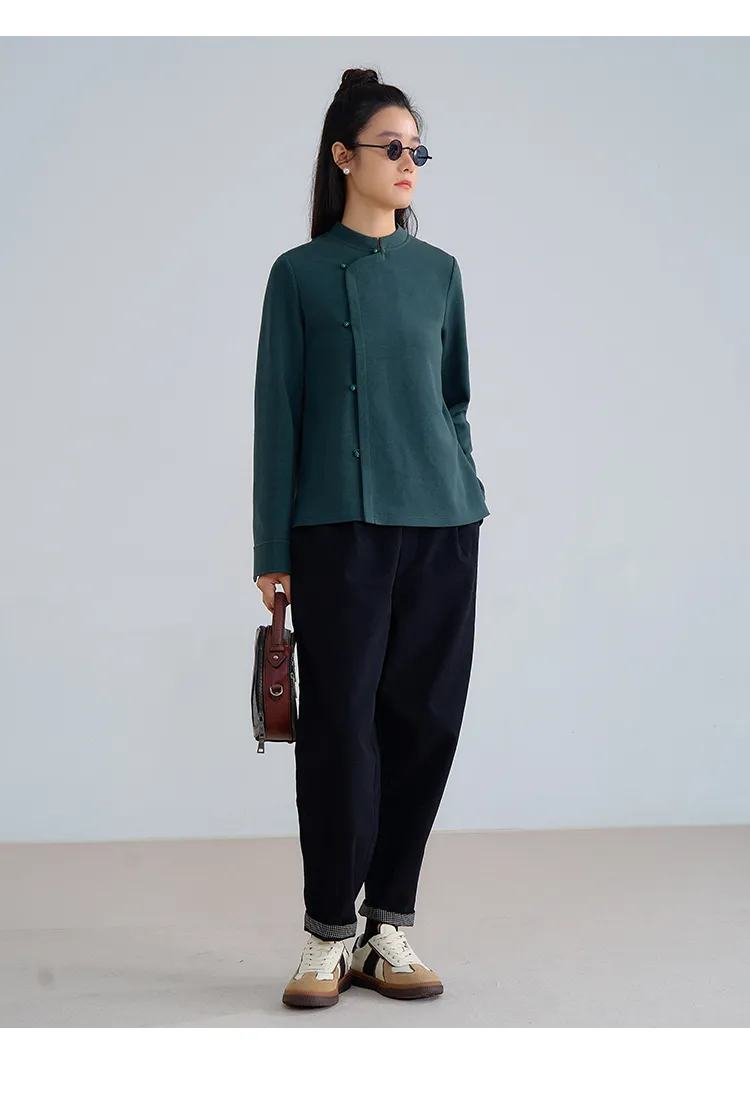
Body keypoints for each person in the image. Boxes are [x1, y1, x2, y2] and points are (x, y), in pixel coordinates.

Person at [252, 66, 489, 1009]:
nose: (408, 161)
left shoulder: (440, 273)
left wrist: (464, 486)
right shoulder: (299, 274)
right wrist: (272, 549)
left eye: (417, 148)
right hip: (338, 528)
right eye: (392, 146)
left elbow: (454, 399)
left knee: (425, 721)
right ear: (343, 156)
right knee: (339, 729)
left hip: (442, 524)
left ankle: (390, 924)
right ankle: (327, 932)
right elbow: (277, 417)